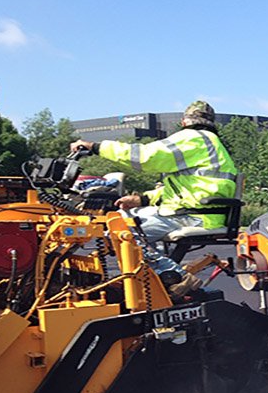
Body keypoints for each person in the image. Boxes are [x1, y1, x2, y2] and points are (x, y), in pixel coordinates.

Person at [70, 101, 238, 296]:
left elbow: (145, 157)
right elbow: (183, 188)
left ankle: (175, 276)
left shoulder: (193, 138)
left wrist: (96, 147)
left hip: (194, 214)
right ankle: (155, 280)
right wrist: (142, 199)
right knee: (128, 217)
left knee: (120, 229)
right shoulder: (211, 144)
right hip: (203, 212)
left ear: (184, 122)